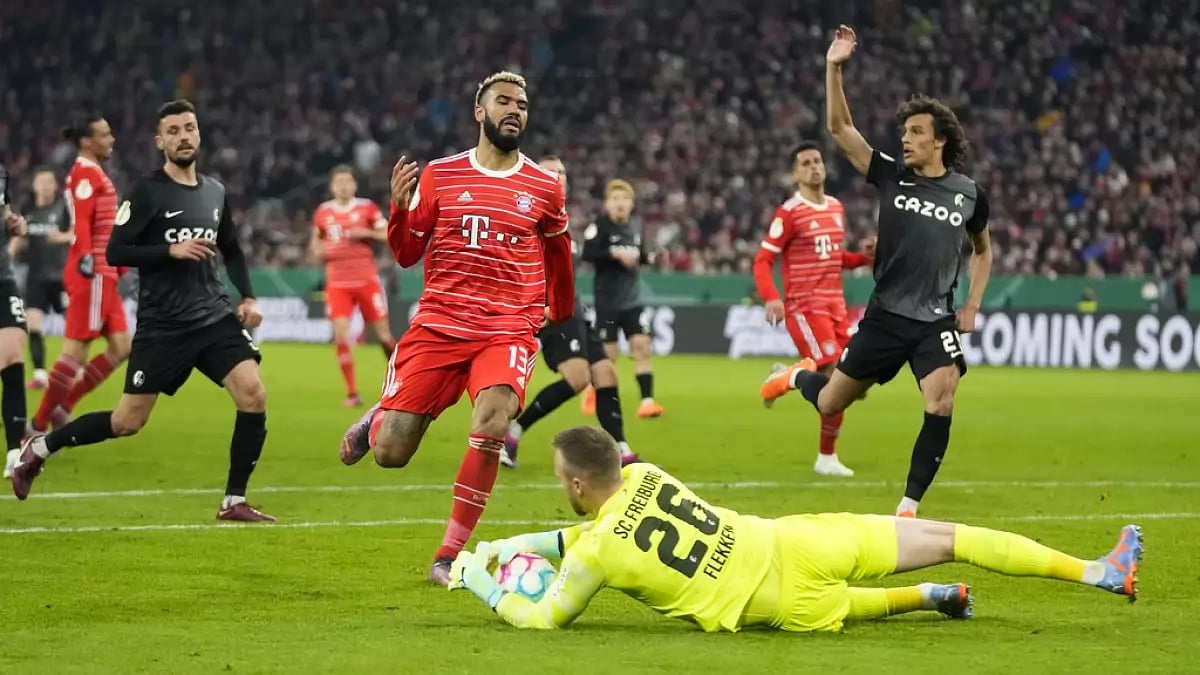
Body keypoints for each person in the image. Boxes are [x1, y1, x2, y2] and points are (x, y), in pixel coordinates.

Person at [449, 426, 1142, 632]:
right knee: (951, 533)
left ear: (575, 484)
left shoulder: (596, 551)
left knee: (856, 608)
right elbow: (592, 529)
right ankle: (1096, 570)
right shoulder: (647, 472)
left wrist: (483, 574)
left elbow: (546, 616)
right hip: (795, 538)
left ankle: (930, 597)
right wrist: (519, 541)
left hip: (775, 603)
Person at [337, 71, 576, 585]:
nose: (515, 110)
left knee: (492, 422)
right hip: (439, 327)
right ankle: (380, 414)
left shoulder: (543, 187)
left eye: (523, 104)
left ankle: (448, 556)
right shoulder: (441, 176)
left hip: (507, 328)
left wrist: (561, 311)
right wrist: (400, 210)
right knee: (391, 454)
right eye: (504, 102)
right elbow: (404, 255)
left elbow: (559, 255)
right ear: (479, 113)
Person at [761, 25, 993, 518]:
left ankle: (908, 507)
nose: (905, 139)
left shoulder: (969, 194)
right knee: (830, 402)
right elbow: (841, 131)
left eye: (915, 132)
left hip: (935, 320)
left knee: (942, 399)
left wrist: (971, 303)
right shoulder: (892, 175)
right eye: (904, 132)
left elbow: (983, 250)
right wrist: (833, 67)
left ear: (941, 141)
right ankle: (791, 378)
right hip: (886, 317)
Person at [11, 99, 272, 523]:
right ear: (160, 141)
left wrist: (248, 297)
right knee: (127, 421)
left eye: (189, 128)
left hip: (213, 317)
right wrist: (171, 249)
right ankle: (40, 447)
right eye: (173, 131)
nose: (183, 136)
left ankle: (233, 501)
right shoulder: (147, 191)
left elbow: (233, 249)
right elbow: (116, 251)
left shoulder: (215, 191)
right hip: (164, 326)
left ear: (199, 133)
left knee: (253, 394)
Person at [502, 155, 640, 470]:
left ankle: (620, 448)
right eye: (550, 173)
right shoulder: (528, 215)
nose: (558, 177)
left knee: (606, 373)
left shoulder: (561, 215)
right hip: (550, 308)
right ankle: (513, 433)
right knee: (578, 378)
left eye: (562, 172)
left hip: (572, 307)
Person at [753, 141, 874, 478]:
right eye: (805, 163)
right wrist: (771, 297)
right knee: (837, 378)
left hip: (836, 306)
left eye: (817, 161)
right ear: (795, 174)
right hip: (805, 307)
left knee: (856, 384)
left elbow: (836, 260)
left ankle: (789, 376)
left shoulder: (835, 207)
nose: (813, 167)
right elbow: (763, 260)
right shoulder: (790, 212)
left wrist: (865, 257)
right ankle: (826, 456)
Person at [30, 114, 130, 433]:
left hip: (106, 270)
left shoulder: (94, 172)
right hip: (94, 272)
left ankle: (64, 407)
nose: (111, 139)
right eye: (105, 134)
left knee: (122, 347)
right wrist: (87, 257)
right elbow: (82, 222)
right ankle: (36, 426)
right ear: (88, 141)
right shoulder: (85, 174)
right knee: (75, 351)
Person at [310, 164, 397, 407]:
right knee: (340, 336)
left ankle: (400, 380)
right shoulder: (323, 212)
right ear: (332, 186)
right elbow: (316, 243)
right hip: (337, 283)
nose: (344, 186)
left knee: (383, 336)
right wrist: (320, 251)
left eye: (348, 181)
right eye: (339, 182)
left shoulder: (366, 207)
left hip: (366, 279)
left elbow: (388, 233)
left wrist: (365, 233)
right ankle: (352, 393)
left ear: (354, 185)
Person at [580, 180, 662, 419]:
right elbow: (588, 254)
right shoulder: (599, 227)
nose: (620, 204)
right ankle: (592, 392)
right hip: (608, 303)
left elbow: (642, 255)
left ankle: (647, 402)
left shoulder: (635, 227)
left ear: (631, 204)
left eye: (624, 200)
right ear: (607, 204)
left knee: (642, 347)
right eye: (615, 200)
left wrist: (651, 258)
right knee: (609, 356)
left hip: (633, 301)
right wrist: (613, 253)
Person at [11, 168, 71, 390]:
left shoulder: (64, 210)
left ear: (55, 185)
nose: (45, 186)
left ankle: (74, 369)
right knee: (32, 324)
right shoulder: (28, 209)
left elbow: (77, 234)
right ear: (35, 185)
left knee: (73, 326)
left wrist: (63, 237)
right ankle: (40, 375)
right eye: (41, 181)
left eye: (49, 181)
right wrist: (12, 249)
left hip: (61, 277)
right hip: (36, 277)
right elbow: (20, 238)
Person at [0, 161, 29, 480]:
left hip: (2, 278)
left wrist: (14, 223)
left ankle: (13, 452)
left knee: (11, 354)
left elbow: (6, 214)